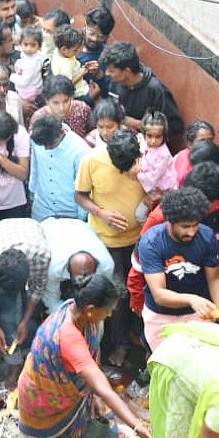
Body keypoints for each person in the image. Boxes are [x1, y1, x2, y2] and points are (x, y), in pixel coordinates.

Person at [17, 273, 158, 438]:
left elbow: (94, 354)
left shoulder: (82, 313)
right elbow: (103, 387)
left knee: (106, 427)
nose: (111, 314)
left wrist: (95, 399)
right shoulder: (69, 335)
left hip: (75, 391)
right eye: (108, 310)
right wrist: (138, 426)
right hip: (43, 400)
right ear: (91, 309)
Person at [75, 128, 145, 366]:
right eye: (121, 167)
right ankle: (119, 343)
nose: (126, 171)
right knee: (115, 294)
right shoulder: (92, 160)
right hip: (106, 242)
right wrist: (100, 212)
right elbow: (80, 196)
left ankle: (137, 335)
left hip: (138, 239)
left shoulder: (146, 160)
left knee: (138, 290)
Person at [138, 187, 219, 350]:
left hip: (199, 312)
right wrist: (191, 299)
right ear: (169, 221)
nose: (192, 231)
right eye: (185, 227)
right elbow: (159, 294)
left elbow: (214, 278)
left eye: (195, 225)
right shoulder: (151, 242)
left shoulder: (206, 236)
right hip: (162, 315)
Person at [0, 219, 52, 384]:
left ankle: (27, 359)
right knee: (6, 310)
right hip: (3, 226)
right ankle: (14, 364)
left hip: (32, 227)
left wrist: (25, 321)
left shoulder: (41, 256)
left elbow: (37, 288)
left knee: (31, 314)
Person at [100, 41, 183, 138]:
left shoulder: (155, 90)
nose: (107, 73)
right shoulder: (116, 81)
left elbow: (175, 126)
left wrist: (138, 124)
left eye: (111, 71)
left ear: (127, 71)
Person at [39, 217, 115, 313]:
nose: (84, 281)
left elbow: (104, 294)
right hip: (51, 227)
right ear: (69, 272)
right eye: (80, 279)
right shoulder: (53, 268)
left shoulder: (107, 265)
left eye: (88, 277)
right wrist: (73, 315)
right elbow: (52, 301)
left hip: (81, 226)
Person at [29, 113, 90, 221]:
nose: (46, 149)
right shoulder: (38, 139)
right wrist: (32, 195)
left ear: (62, 132)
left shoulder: (80, 150)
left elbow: (83, 188)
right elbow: (35, 168)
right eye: (43, 146)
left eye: (51, 145)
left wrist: (81, 219)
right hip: (41, 210)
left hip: (70, 213)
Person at [136, 111, 178, 220]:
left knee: (140, 214)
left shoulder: (164, 155)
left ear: (164, 136)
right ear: (144, 133)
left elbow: (153, 178)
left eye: (158, 137)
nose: (153, 141)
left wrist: (137, 173)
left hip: (162, 190)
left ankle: (146, 233)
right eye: (149, 136)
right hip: (148, 185)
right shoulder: (144, 143)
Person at [30, 75, 93, 141]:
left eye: (65, 101)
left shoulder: (82, 109)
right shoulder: (39, 118)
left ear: (71, 98)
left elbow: (94, 131)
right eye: (56, 103)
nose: (62, 108)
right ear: (47, 101)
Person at [49, 25, 92, 101]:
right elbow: (68, 84)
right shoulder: (65, 66)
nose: (79, 51)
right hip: (79, 93)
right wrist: (82, 73)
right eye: (75, 50)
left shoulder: (58, 51)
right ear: (64, 49)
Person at [12, 25, 46, 111]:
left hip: (28, 92)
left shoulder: (32, 63)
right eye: (25, 44)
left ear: (39, 46)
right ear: (20, 44)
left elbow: (24, 82)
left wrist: (11, 75)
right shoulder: (37, 56)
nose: (28, 49)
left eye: (33, 45)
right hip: (35, 87)